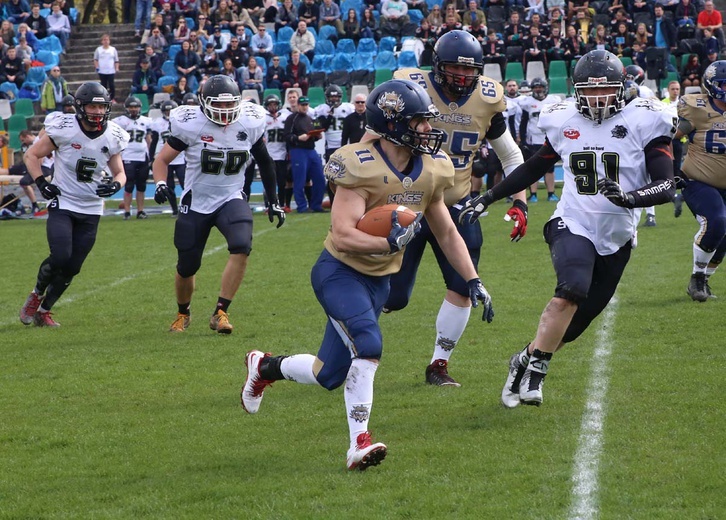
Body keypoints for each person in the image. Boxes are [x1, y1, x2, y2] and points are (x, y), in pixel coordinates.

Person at [240, 78, 494, 471]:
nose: (427, 129)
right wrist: (388, 243)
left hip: (378, 282)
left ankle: (265, 367)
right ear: (392, 124)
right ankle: (359, 443)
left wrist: (473, 280)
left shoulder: (430, 168)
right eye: (418, 122)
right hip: (339, 273)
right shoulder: (359, 163)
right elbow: (342, 234)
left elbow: (445, 230)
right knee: (369, 345)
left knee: (329, 375)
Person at [458, 50, 677, 407]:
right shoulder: (563, 119)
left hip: (617, 235)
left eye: (604, 90)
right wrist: (489, 197)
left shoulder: (646, 119)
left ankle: (524, 358)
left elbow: (666, 186)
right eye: (588, 92)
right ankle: (537, 375)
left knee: (576, 324)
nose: (596, 99)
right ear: (576, 91)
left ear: (622, 88)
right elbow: (534, 167)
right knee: (571, 289)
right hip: (571, 221)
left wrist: (629, 198)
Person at [385, 30, 527, 386]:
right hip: (409, 203)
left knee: (464, 285)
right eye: (454, 69)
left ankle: (439, 364)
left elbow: (510, 154)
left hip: (457, 205)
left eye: (469, 72)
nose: (462, 78)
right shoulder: (410, 87)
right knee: (395, 296)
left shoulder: (487, 98)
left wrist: (520, 199)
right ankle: (351, 339)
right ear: (436, 66)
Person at [151, 75, 286, 334]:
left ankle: (221, 311)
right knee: (187, 266)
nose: (224, 110)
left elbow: (266, 163)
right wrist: (159, 183)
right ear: (204, 102)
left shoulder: (249, 121)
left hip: (230, 197)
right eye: (219, 105)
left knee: (242, 245)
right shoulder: (190, 124)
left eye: (229, 105)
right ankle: (183, 312)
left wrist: (274, 201)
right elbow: (161, 161)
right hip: (197, 200)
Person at [19, 82, 129, 328]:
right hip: (64, 202)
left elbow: (120, 172)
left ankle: (45, 311)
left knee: (73, 267)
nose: (98, 112)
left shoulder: (113, 134)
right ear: (80, 107)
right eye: (92, 106)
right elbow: (31, 155)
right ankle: (36, 295)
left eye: (101, 107)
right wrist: (41, 182)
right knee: (61, 256)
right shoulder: (65, 128)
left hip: (92, 208)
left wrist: (115, 185)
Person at [675, 61, 726, 302]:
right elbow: (671, 138)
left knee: (723, 235)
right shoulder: (695, 108)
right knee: (716, 221)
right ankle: (697, 277)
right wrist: (670, 170)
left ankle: (704, 278)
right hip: (698, 180)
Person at [519, 77, 560, 202]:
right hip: (533, 139)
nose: (538, 89)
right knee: (533, 168)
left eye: (540, 87)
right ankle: (533, 194)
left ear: (545, 87)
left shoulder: (553, 100)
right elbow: (523, 122)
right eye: (536, 87)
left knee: (550, 168)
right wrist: (523, 139)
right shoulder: (527, 102)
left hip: (549, 138)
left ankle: (551, 193)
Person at [283, 95, 326, 213]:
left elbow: (311, 136)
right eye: (302, 105)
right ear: (297, 106)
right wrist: (297, 138)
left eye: (306, 105)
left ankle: (316, 204)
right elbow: (286, 136)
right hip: (298, 150)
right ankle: (302, 206)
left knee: (320, 178)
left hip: (311, 150)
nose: (304, 107)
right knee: (299, 179)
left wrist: (317, 136)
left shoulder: (309, 119)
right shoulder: (292, 118)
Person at [113, 96, 153, 220]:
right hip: (128, 156)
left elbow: (149, 139)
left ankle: (140, 211)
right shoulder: (119, 121)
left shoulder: (146, 121)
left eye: (136, 107)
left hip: (142, 157)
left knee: (141, 186)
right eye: (131, 107)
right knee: (129, 185)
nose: (134, 109)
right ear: (126, 108)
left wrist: (150, 155)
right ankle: (127, 211)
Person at [149, 100, 185, 215]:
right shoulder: (158, 123)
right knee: (169, 186)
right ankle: (175, 209)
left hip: (180, 158)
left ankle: (187, 207)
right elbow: (154, 142)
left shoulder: (182, 122)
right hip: (166, 159)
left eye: (171, 111)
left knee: (186, 184)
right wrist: (151, 158)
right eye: (167, 111)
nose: (169, 113)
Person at [263, 94, 291, 212]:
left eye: (274, 104)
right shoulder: (263, 118)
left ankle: (283, 204)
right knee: (270, 182)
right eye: (270, 105)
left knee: (281, 181)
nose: (273, 107)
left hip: (282, 154)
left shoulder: (285, 116)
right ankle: (270, 205)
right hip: (269, 154)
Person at [93, 34, 120, 103]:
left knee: (111, 85)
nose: (106, 41)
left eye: (107, 40)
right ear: (102, 41)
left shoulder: (113, 49)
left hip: (111, 70)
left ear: (109, 41)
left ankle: (112, 98)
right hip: (102, 71)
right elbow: (96, 59)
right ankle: (104, 98)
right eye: (104, 40)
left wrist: (116, 68)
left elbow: (116, 60)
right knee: (103, 85)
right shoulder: (98, 50)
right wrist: (97, 67)